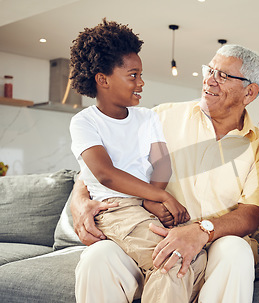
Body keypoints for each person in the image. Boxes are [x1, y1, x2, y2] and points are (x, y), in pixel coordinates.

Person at [70, 43, 259, 303]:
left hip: (216, 239)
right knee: (96, 258)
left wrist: (200, 231)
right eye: (209, 70)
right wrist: (79, 200)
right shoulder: (161, 116)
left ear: (249, 92)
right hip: (155, 230)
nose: (210, 80)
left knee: (236, 251)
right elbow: (101, 167)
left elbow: (253, 212)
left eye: (223, 75)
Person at [68, 19, 202, 302]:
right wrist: (159, 196)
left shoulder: (147, 117)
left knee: (194, 258)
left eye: (141, 74)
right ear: (102, 80)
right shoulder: (85, 122)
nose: (141, 82)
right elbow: (105, 174)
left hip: (144, 204)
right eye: (133, 75)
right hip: (115, 210)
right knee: (172, 260)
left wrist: (152, 200)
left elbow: (162, 163)